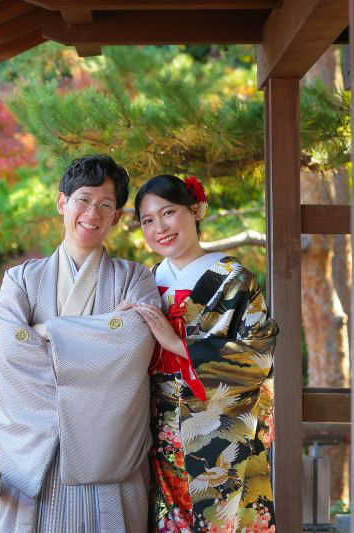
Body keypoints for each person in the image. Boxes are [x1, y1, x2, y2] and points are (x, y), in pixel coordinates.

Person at [0, 154, 162, 533]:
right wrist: (102, 334)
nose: (92, 213)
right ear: (61, 203)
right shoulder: (20, 280)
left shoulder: (135, 279)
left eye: (106, 205)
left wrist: (48, 330)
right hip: (41, 457)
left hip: (110, 455)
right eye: (83, 200)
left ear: (116, 217)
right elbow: (10, 347)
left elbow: (134, 339)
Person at [130, 175, 278, 533]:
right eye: (148, 220)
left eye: (169, 212)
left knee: (219, 521)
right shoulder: (146, 281)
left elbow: (258, 354)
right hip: (155, 429)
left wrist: (179, 346)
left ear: (195, 211)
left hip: (218, 429)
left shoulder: (233, 278)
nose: (159, 228)